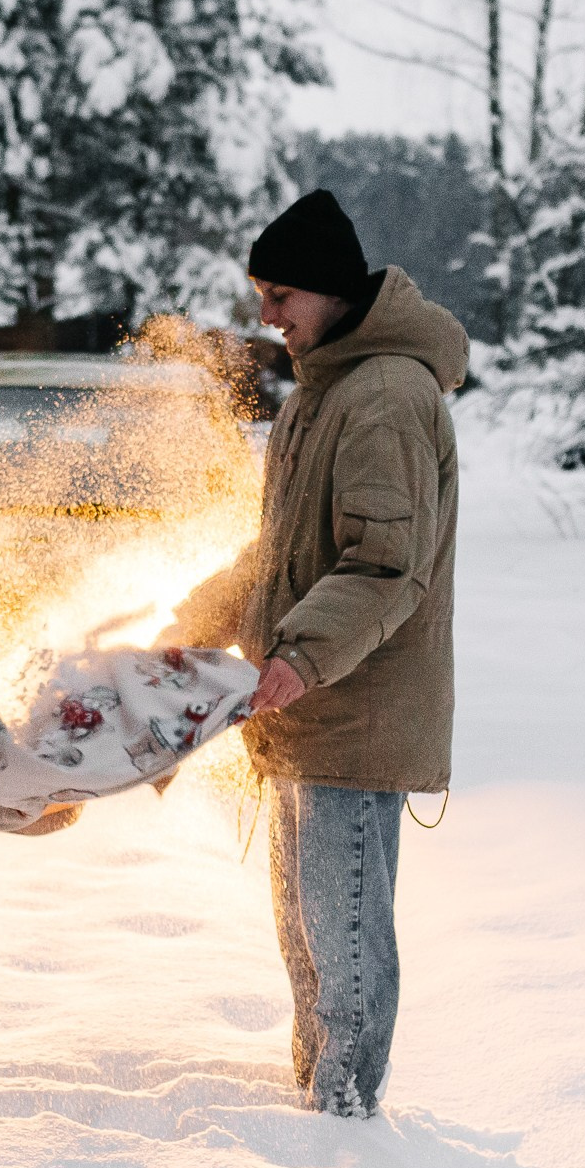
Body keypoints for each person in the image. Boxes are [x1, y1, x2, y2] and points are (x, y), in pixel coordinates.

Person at [168, 190, 468, 1118]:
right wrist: (195, 619)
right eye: (260, 292)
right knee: (306, 938)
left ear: (331, 289)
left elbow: (384, 564)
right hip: (301, 711)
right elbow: (282, 553)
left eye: (280, 294)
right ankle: (317, 1104)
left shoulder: (385, 398)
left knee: (344, 946)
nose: (266, 313)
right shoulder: (320, 394)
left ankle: (347, 1122)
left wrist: (297, 656)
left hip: (351, 715)